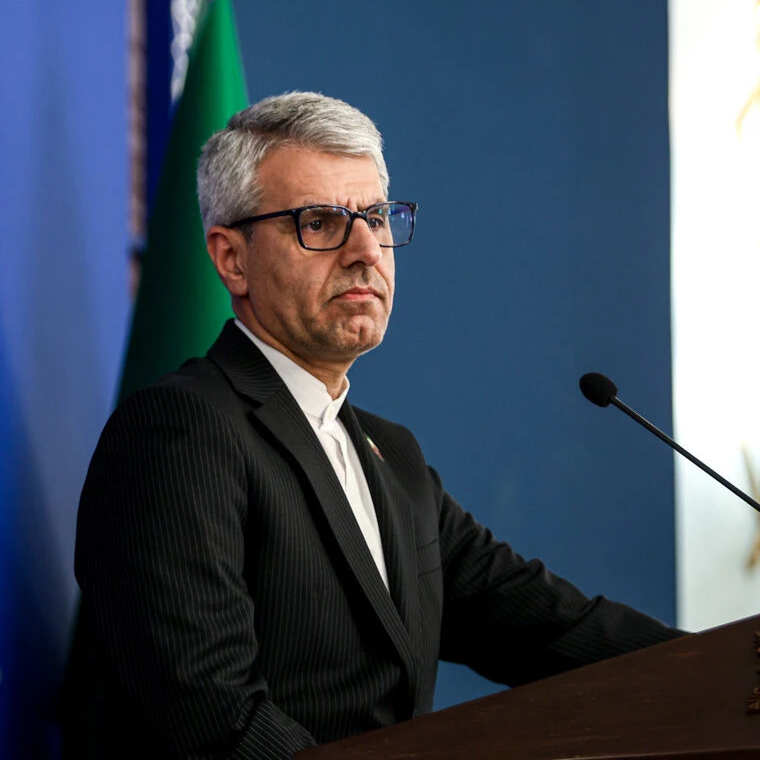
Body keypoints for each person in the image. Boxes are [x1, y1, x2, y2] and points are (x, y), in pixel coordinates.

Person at [68, 92, 683, 759]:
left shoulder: (393, 454)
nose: (366, 249)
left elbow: (547, 626)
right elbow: (215, 717)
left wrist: (729, 662)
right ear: (231, 258)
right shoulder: (178, 432)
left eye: (377, 217)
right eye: (319, 222)